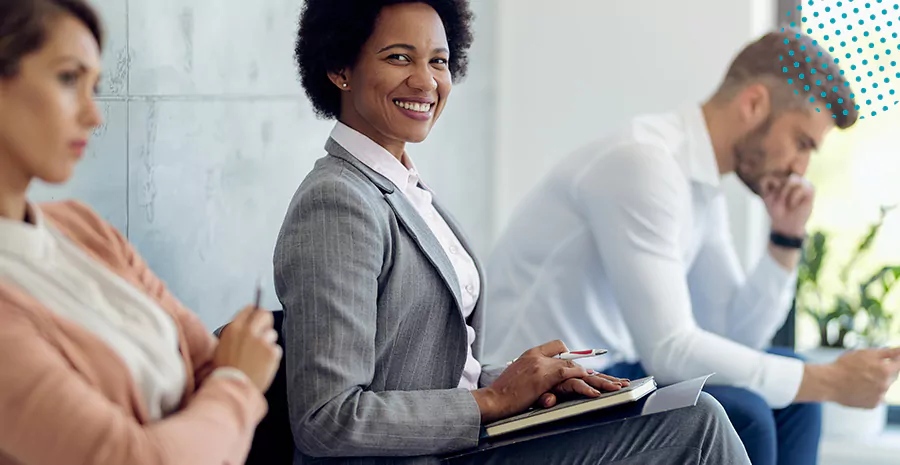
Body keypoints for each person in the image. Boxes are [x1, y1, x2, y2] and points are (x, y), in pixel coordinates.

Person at [274, 1, 751, 464]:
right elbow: (326, 418)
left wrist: (531, 380)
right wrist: (496, 400)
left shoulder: (404, 189)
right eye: (399, 57)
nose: (425, 81)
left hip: (464, 442)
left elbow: (428, 370)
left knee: (687, 407)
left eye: (438, 61)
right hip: (423, 456)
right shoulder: (337, 202)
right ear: (340, 68)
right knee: (698, 425)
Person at [482, 29, 900, 465]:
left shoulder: (700, 186)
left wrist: (785, 238)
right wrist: (828, 380)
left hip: (613, 372)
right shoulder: (644, 164)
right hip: (541, 390)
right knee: (751, 411)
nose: (801, 167)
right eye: (801, 143)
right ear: (754, 104)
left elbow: (734, 336)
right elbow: (670, 349)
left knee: (794, 398)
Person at [0, 1, 283, 464]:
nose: (96, 116)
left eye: (96, 86)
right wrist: (237, 386)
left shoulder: (84, 227)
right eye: (69, 79)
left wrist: (218, 390)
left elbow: (207, 357)